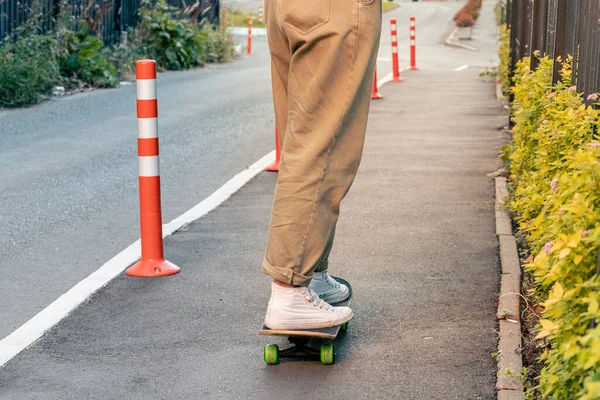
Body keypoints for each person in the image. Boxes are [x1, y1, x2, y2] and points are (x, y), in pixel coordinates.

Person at [262, 0, 382, 330]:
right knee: (322, 146)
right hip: (336, 10)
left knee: (301, 142)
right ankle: (289, 291)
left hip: (283, 8)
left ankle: (311, 274)